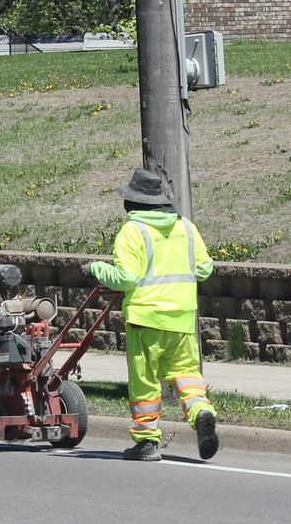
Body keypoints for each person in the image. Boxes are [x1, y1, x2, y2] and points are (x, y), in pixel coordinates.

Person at [84, 168, 218, 462]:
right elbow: (205, 270)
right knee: (187, 375)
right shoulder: (186, 228)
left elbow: (126, 278)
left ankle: (147, 442)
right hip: (182, 320)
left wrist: (95, 268)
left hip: (146, 319)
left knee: (145, 382)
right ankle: (201, 413)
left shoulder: (133, 231)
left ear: (134, 203)